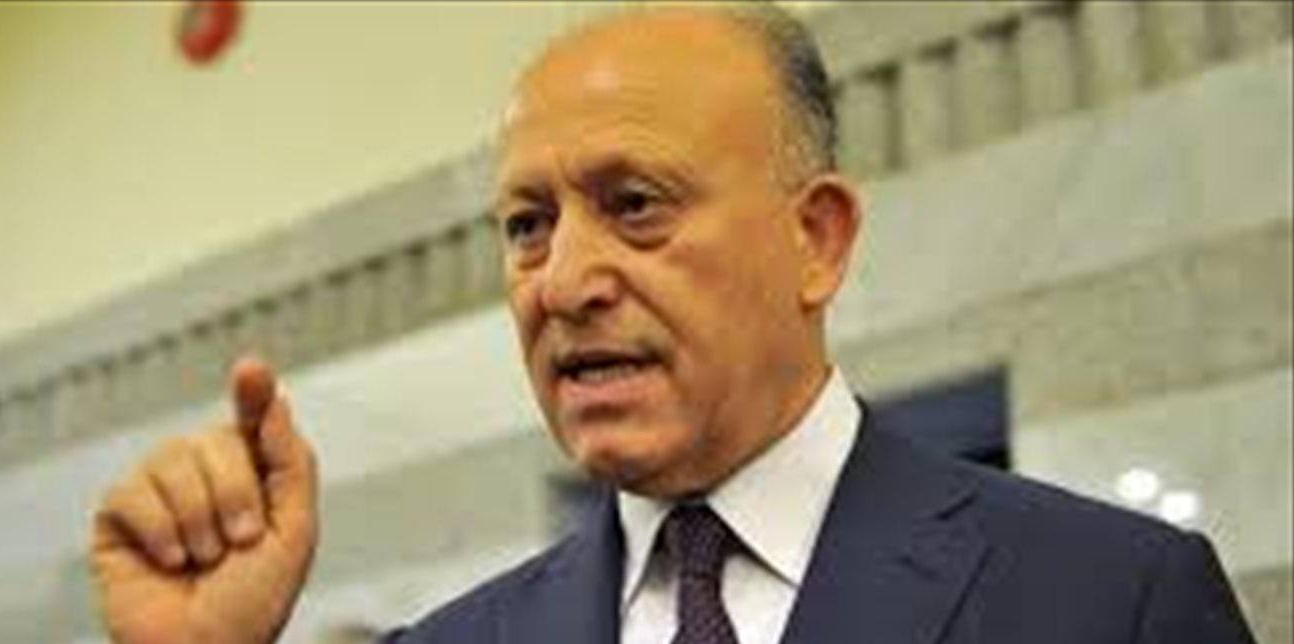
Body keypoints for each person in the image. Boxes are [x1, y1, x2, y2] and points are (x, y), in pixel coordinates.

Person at [90, 4, 1257, 644]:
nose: (561, 281)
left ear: (816, 239)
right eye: (527, 224)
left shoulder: (1114, 601)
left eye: (634, 203)